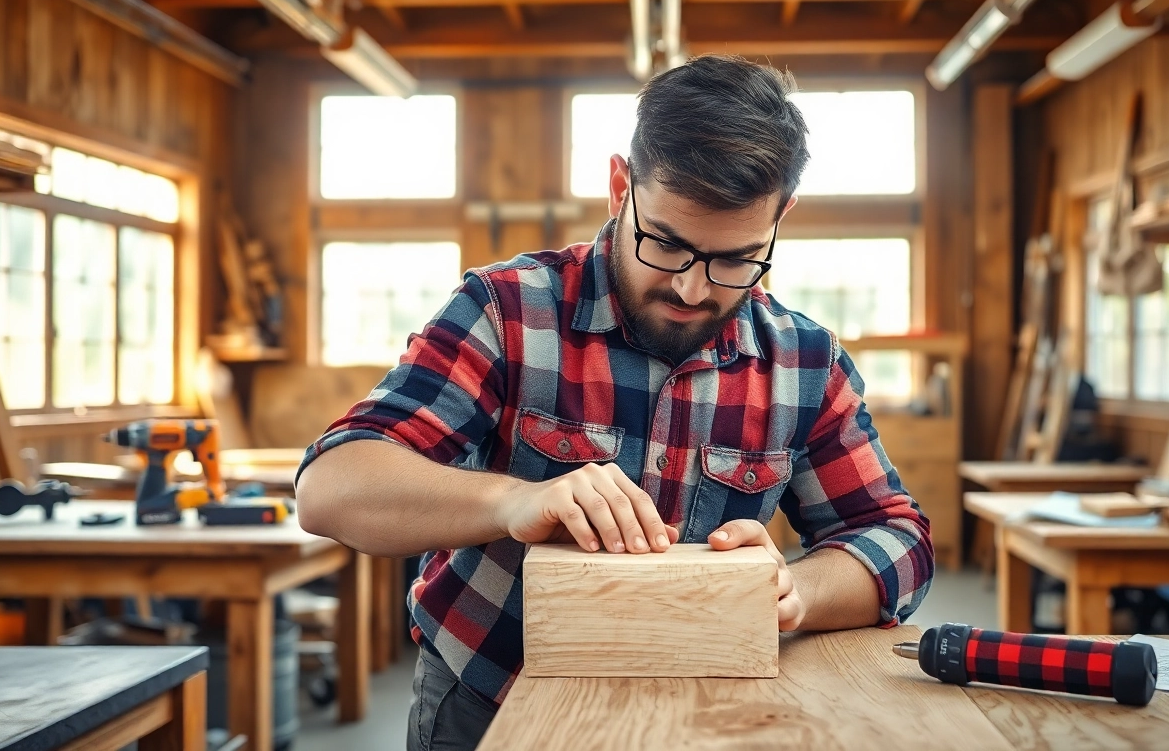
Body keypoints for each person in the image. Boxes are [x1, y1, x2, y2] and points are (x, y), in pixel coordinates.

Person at [295, 54, 934, 751]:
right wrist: (513, 506)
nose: (694, 291)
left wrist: (794, 590)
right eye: (666, 244)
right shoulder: (506, 310)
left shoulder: (805, 362)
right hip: (489, 700)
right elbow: (332, 487)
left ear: (782, 216)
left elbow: (897, 539)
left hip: (712, 715)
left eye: (735, 260)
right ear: (618, 186)